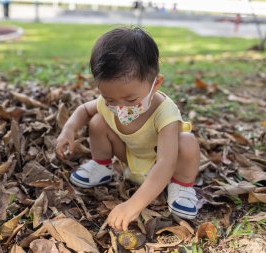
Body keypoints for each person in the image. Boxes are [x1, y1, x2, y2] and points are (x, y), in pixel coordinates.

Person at [55, 27, 200, 231]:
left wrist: (133, 205)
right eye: (110, 98)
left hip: (164, 167)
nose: (121, 106)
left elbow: (166, 162)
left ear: (155, 83)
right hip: (130, 159)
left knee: (187, 141)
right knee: (98, 121)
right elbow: (83, 110)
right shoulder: (110, 103)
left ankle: (182, 187)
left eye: (131, 99)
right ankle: (101, 165)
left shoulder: (165, 112)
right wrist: (68, 130)